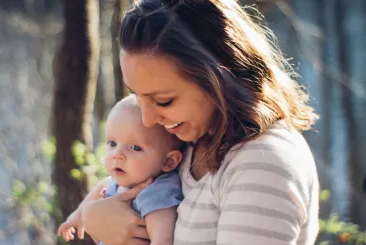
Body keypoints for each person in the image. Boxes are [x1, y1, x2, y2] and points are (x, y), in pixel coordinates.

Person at [80, 0, 320, 245]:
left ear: (219, 79)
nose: (148, 119)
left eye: (164, 101)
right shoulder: (193, 139)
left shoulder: (262, 163)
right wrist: (93, 215)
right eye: (137, 96)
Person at [57, 95, 185, 245]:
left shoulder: (157, 192)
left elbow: (163, 239)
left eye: (135, 147)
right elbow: (102, 186)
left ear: (168, 161)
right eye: (112, 143)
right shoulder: (121, 181)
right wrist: (77, 216)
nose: (117, 154)